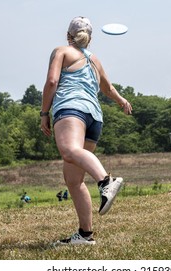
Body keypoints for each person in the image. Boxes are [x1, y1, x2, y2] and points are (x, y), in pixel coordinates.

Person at [40, 16, 132, 245]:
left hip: (72, 110)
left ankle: (105, 181)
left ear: (68, 35)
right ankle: (85, 235)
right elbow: (108, 88)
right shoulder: (94, 60)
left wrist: (44, 113)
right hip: (94, 118)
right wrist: (121, 101)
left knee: (69, 150)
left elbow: (52, 82)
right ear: (89, 39)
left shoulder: (61, 51)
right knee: (73, 180)